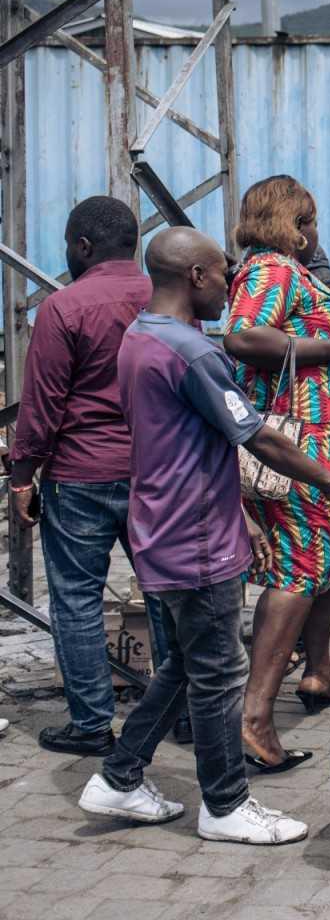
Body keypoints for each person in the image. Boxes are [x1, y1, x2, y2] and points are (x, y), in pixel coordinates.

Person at [79, 227, 330, 844]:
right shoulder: (193, 353)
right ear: (193, 278)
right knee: (218, 674)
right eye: (221, 276)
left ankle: (121, 776)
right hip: (197, 534)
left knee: (188, 663)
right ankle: (225, 805)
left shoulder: (140, 337)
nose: (230, 288)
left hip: (164, 522)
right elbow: (259, 436)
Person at [222, 175, 330, 773]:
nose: (314, 232)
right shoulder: (273, 269)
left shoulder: (289, 271)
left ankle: (317, 672)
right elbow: (240, 336)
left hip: (319, 437)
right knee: (300, 566)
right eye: (309, 220)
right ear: (292, 224)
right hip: (297, 444)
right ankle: (254, 716)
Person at [9, 197, 172, 756]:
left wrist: (21, 477)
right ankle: (181, 714)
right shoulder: (169, 298)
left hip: (79, 475)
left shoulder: (64, 307)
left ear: (82, 246)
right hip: (158, 472)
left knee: (76, 599)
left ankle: (90, 725)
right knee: (166, 593)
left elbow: (42, 405)